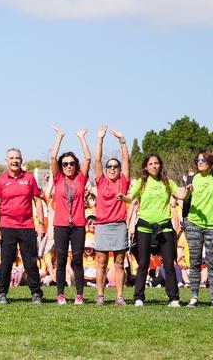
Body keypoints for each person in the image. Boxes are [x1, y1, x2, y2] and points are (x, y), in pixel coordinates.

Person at [173, 149, 213, 308]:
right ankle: (194, 297)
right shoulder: (192, 178)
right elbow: (186, 199)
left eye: (203, 160)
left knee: (212, 263)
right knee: (195, 262)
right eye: (198, 160)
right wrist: (185, 220)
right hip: (194, 224)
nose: (200, 162)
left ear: (210, 162)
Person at [123, 154, 182, 307]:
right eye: (151, 164)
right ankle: (139, 297)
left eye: (156, 163)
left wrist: (188, 190)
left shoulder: (168, 183)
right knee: (143, 264)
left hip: (165, 228)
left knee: (169, 263)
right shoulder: (142, 183)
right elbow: (130, 197)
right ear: (146, 167)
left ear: (160, 165)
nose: (154, 166)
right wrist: (122, 197)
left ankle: (174, 298)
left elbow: (180, 195)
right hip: (144, 227)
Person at [0, 148, 45, 305]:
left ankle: (36, 293)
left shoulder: (29, 179)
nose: (14, 161)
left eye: (17, 158)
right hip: (7, 226)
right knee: (6, 261)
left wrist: (41, 224)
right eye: (11, 158)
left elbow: (38, 201)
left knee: (30, 262)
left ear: (21, 160)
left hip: (27, 226)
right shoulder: (1, 181)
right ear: (6, 161)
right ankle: (2, 293)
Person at [48, 127, 91, 305]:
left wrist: (81, 138)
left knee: (78, 259)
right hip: (60, 224)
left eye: (71, 163)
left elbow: (88, 158)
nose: (68, 167)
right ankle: (61, 295)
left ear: (76, 165)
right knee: (61, 259)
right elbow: (52, 157)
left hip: (79, 224)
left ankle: (79, 295)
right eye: (65, 164)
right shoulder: (58, 178)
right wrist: (59, 137)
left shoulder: (81, 178)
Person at [92, 125, 131, 306]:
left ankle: (119, 297)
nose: (113, 169)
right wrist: (100, 139)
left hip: (119, 225)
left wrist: (122, 140)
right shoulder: (101, 182)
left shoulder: (123, 181)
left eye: (116, 167)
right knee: (101, 261)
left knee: (119, 262)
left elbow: (126, 159)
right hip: (103, 225)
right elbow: (97, 160)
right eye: (110, 167)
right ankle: (100, 295)